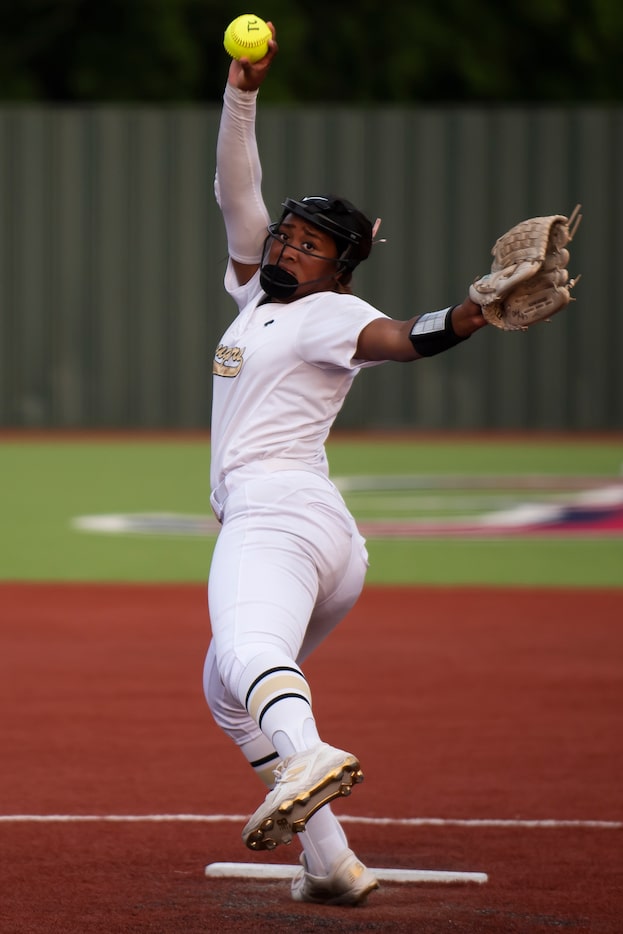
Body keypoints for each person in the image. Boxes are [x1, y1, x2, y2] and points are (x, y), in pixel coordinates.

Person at [202, 23, 487, 907]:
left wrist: (471, 314)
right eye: (286, 234)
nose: (286, 247)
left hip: (277, 518)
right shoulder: (257, 293)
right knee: (225, 689)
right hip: (322, 538)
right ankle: (329, 861)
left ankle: (314, 751)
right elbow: (232, 188)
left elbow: (400, 339)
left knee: (249, 653)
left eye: (308, 244)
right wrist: (241, 92)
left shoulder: (332, 314)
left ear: (341, 265)